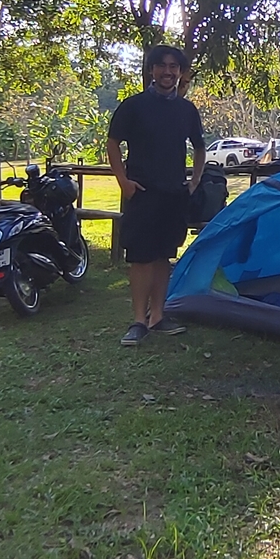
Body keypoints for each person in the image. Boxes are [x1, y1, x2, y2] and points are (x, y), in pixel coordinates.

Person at [107, 45, 205, 347]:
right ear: (151, 70)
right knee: (141, 257)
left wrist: (193, 183)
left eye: (174, 66)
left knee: (164, 256)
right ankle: (138, 321)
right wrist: (124, 181)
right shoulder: (133, 106)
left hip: (174, 194)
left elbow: (200, 148)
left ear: (180, 72)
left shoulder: (186, 110)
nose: (168, 72)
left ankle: (158, 316)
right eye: (162, 66)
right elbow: (112, 144)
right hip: (142, 193)